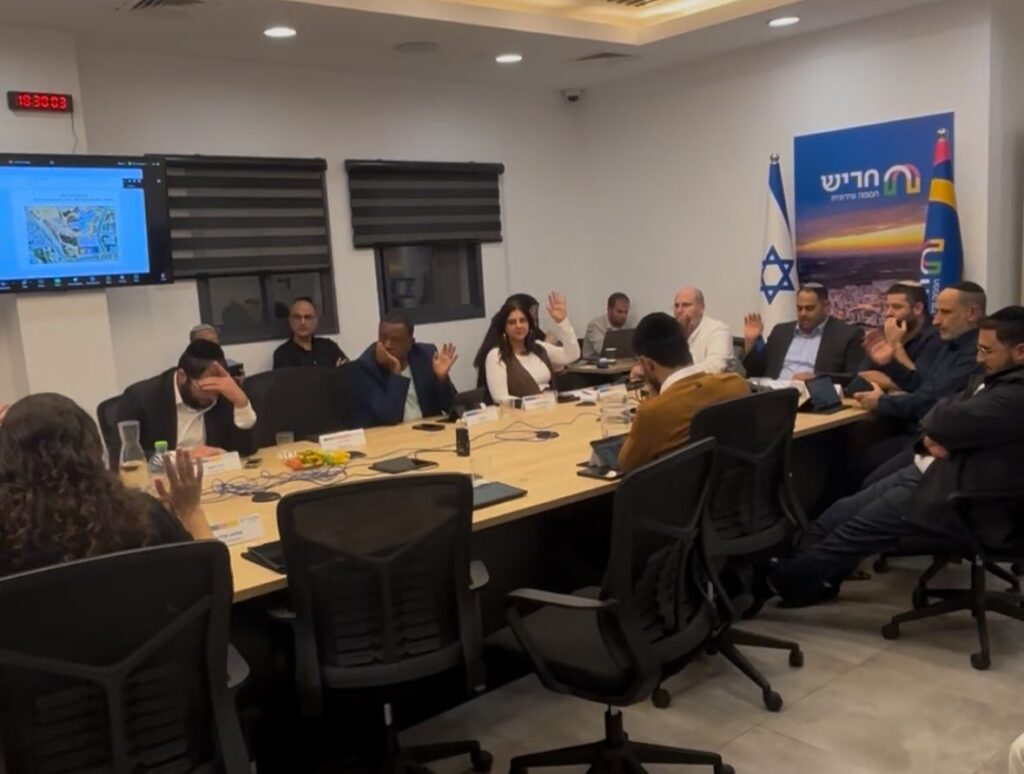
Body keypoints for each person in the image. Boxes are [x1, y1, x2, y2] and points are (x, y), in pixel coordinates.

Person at [768, 306, 1024, 607]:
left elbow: (939, 415)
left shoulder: (1015, 393)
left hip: (958, 493)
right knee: (838, 512)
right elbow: (942, 405)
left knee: (851, 533)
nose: (979, 358)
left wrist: (942, 424)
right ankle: (806, 576)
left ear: (1020, 351)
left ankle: (776, 581)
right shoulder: (997, 377)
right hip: (932, 470)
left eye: (986, 351)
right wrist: (941, 425)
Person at [0, 393, 210, 577]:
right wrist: (190, 511)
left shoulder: (10, 538)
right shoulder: (142, 516)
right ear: (92, 446)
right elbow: (211, 578)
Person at [619, 313, 749, 472]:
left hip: (674, 487)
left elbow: (626, 464)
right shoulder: (736, 384)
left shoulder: (652, 413)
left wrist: (653, 395)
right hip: (731, 482)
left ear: (648, 364)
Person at [853, 282, 984, 419]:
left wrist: (881, 402)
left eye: (945, 312)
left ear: (972, 313)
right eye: (937, 312)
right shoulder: (950, 344)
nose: (936, 321)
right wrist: (889, 363)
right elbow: (920, 385)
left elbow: (932, 402)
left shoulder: (977, 352)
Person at [117, 340, 257, 460]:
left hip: (215, 477)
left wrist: (242, 403)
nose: (212, 397)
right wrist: (184, 456)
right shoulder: (141, 398)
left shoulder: (225, 392)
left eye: (216, 390)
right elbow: (122, 457)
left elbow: (246, 451)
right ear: (182, 376)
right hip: (164, 478)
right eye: (205, 388)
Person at [352, 312, 458, 426]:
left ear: (410, 343)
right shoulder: (367, 366)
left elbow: (452, 408)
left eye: (395, 340)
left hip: (429, 430)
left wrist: (441, 379)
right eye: (383, 338)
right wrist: (395, 371)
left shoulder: (426, 356)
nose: (387, 345)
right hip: (393, 435)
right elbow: (390, 419)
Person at [743, 284, 864, 380]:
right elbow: (755, 372)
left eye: (809, 308)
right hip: (774, 393)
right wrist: (751, 341)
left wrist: (816, 378)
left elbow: (853, 377)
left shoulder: (846, 335)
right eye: (799, 308)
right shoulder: (781, 332)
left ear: (826, 306)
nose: (803, 314)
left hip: (814, 397)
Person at [481, 293, 581, 404]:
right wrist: (533, 404)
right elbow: (500, 398)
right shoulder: (496, 355)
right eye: (512, 322)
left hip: (550, 408)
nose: (519, 326)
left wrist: (562, 322)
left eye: (523, 320)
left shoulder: (538, 348)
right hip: (520, 411)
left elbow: (573, 354)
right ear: (504, 328)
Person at [272, 297, 348, 369]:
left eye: (307, 317)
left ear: (316, 321)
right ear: (290, 320)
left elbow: (348, 371)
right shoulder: (282, 354)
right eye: (297, 317)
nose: (302, 322)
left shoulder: (329, 347)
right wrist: (334, 372)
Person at [673, 286, 733, 374]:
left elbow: (716, 367)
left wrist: (678, 373)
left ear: (701, 307)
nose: (679, 310)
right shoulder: (671, 331)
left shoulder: (719, 330)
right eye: (676, 306)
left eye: (686, 305)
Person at [583, 292, 633, 359]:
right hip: (594, 364)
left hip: (618, 363)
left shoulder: (627, 326)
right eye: (619, 312)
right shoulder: (595, 325)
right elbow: (602, 351)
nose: (623, 316)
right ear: (609, 309)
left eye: (626, 312)